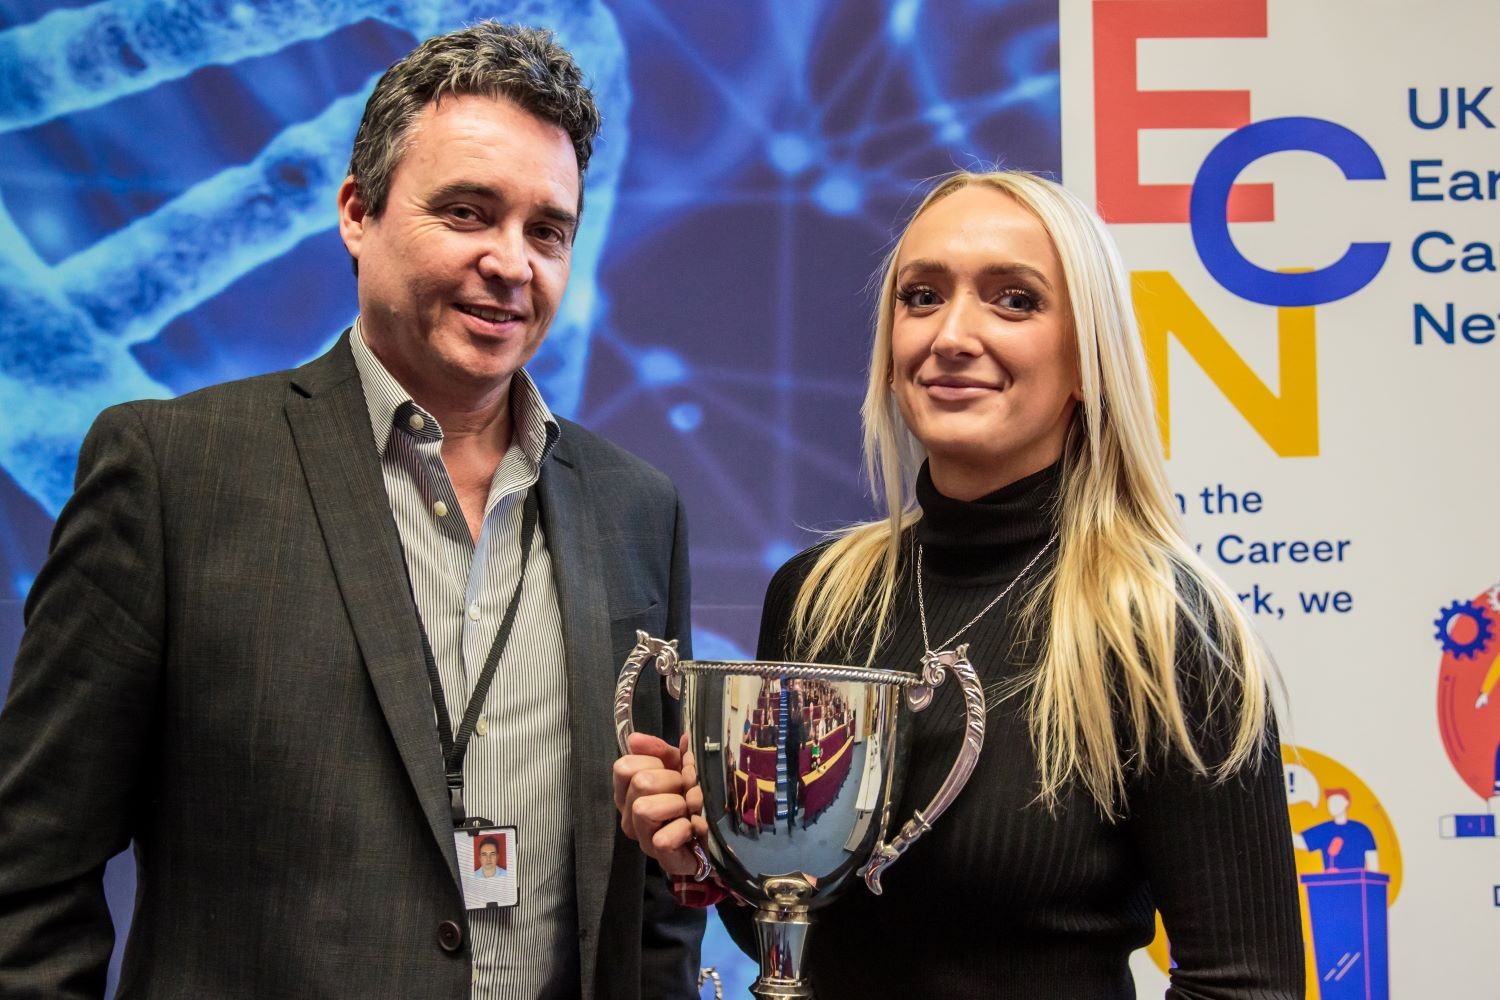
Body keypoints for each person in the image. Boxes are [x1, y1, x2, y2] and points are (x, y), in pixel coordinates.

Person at [0, 21, 702, 999]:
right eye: (466, 212)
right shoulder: (171, 475)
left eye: (547, 230)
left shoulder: (638, 511)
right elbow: (29, 871)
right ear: (355, 214)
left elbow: (654, 900)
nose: (513, 261)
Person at [614, 170, 1303, 997]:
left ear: (1088, 359)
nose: (952, 334)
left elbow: (1246, 984)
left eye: (1014, 300)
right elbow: (801, 936)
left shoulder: (1162, 627)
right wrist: (707, 860)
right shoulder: (818, 596)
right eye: (922, 296)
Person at [1295, 788, 1379, 871]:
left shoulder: (1361, 830)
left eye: (1336, 802)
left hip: (1357, 882)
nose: (1332, 805)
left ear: (1346, 803)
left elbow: (1373, 864)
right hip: (1331, 881)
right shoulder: (1325, 829)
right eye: (1329, 802)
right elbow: (1301, 842)